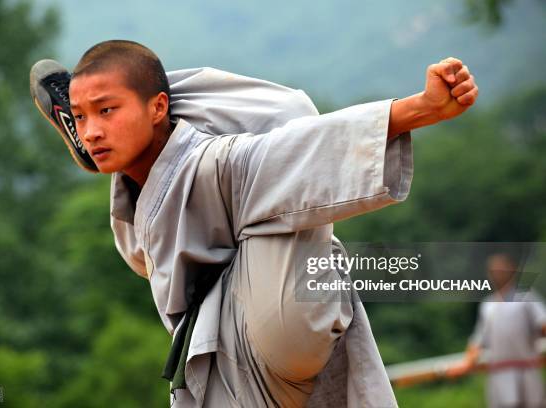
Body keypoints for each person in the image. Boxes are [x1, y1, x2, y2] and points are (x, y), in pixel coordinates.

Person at [30, 40, 479, 407]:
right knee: (146, 232)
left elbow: (300, 151)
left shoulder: (220, 163)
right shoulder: (147, 208)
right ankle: (119, 146)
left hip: (278, 330)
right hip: (220, 361)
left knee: (287, 184)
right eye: (83, 117)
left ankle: (128, 134)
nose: (91, 129)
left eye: (105, 111)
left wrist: (426, 108)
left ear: (157, 107)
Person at [447, 253, 546, 408]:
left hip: (526, 371)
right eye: (493, 270)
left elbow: (543, 324)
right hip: (499, 375)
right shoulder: (488, 306)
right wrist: (466, 363)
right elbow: (478, 341)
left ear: (512, 270)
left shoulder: (526, 297)